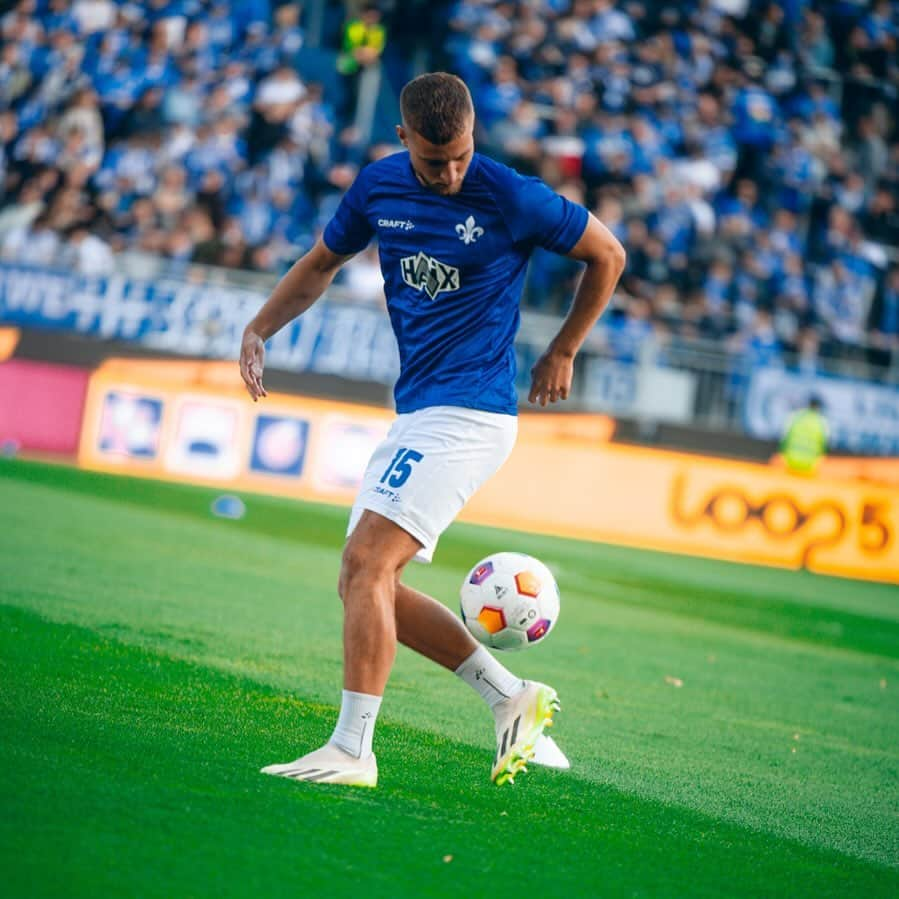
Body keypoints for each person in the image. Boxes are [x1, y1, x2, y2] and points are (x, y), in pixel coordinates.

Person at [239, 72, 625, 787]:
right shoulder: (380, 188)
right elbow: (322, 262)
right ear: (402, 139)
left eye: (459, 157)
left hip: (471, 411)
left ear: (474, 135)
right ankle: (510, 697)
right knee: (364, 579)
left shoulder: (507, 193)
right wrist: (261, 326)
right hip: (419, 409)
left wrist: (563, 347)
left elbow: (607, 254)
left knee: (366, 566)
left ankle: (352, 749)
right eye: (431, 161)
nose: (448, 174)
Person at [780, 395, 829, 475]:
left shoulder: (795, 416)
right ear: (819, 407)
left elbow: (783, 439)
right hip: (809, 466)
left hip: (790, 462)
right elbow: (824, 447)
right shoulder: (822, 423)